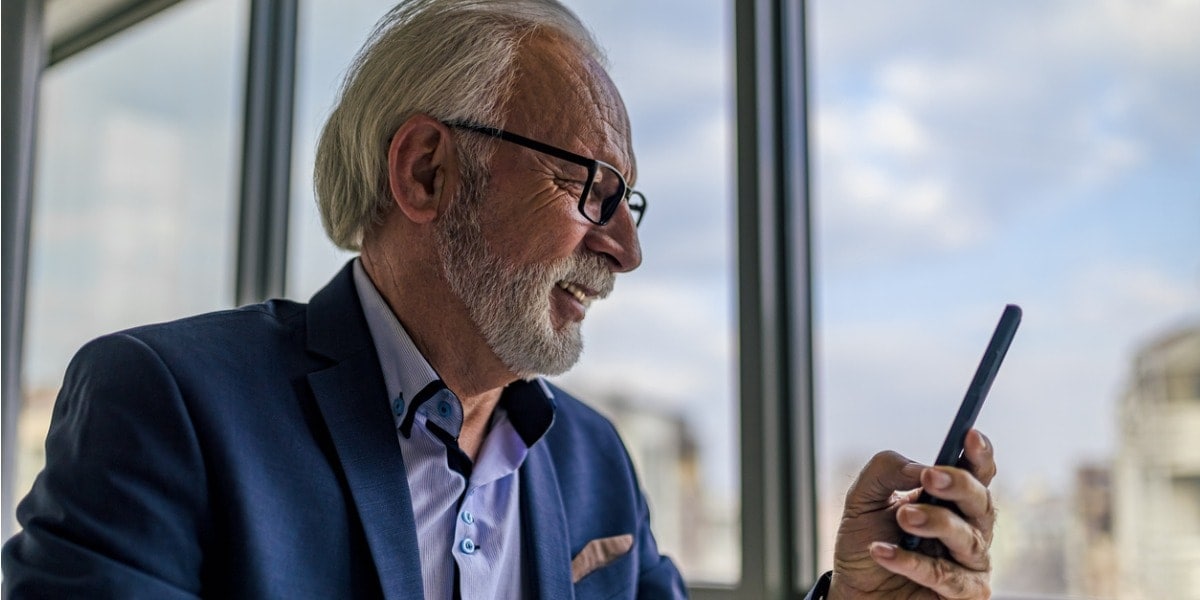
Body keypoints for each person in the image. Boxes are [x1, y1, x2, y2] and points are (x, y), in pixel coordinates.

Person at [2, 0, 997, 598]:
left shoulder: (595, 462)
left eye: (631, 204)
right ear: (427, 171)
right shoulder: (166, 403)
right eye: (590, 189)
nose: (627, 250)